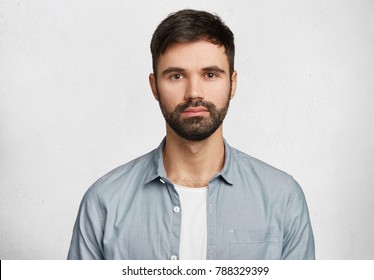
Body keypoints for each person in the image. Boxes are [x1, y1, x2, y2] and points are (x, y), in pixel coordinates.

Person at [67, 9, 315, 260]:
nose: (194, 92)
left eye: (210, 74)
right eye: (176, 76)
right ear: (154, 87)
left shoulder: (283, 199)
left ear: (233, 83)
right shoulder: (104, 203)